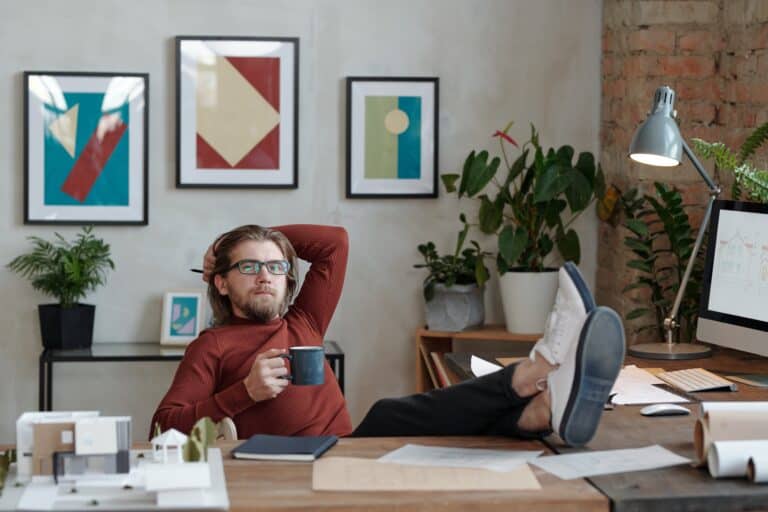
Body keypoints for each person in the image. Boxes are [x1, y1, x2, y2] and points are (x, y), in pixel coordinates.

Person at [151, 224, 624, 447]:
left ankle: (538, 409)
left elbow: (333, 241)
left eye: (276, 267)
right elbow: (163, 426)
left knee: (438, 431)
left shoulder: (304, 322)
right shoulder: (210, 346)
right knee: (389, 411)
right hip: (296, 468)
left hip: (349, 451)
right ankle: (536, 372)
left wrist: (255, 234)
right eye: (249, 267)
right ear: (221, 282)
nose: (265, 276)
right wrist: (243, 393)